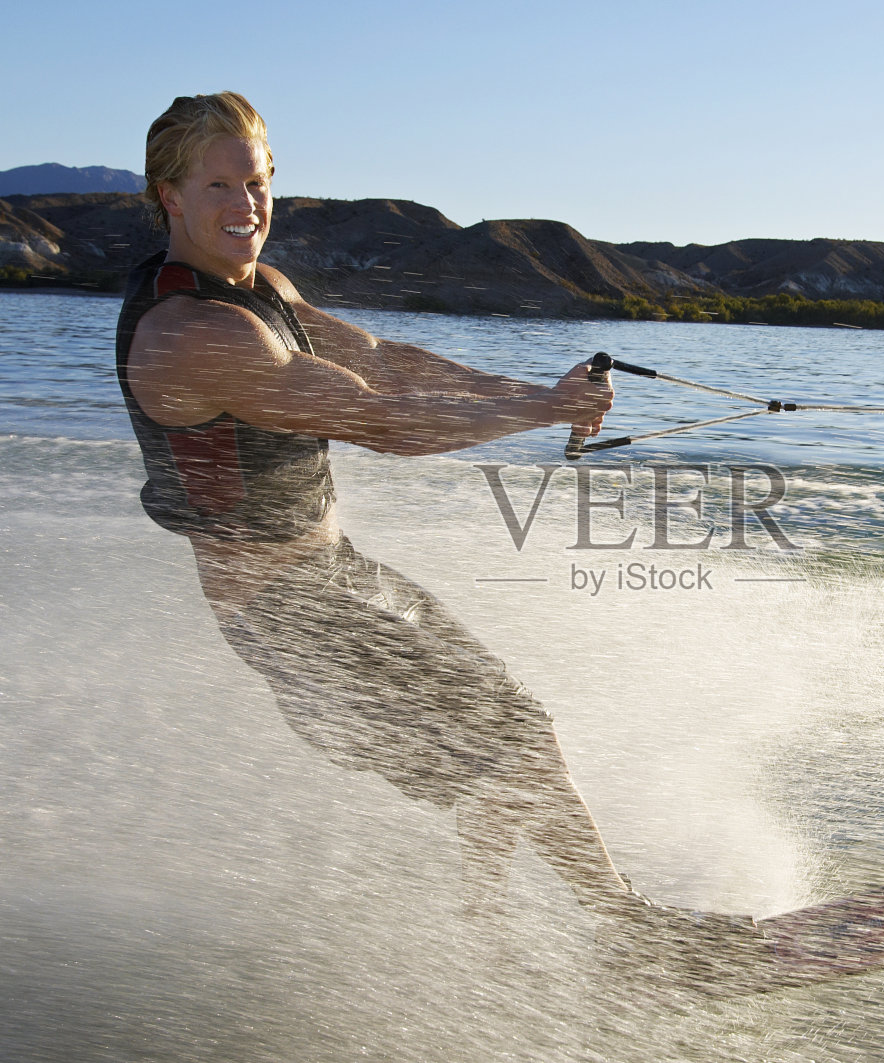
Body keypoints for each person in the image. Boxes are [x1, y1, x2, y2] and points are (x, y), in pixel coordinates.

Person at [116, 91, 642, 921]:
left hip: (339, 576)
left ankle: (486, 938)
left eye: (257, 183)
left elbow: (386, 363)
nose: (246, 206)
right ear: (168, 197)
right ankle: (627, 934)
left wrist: (540, 393)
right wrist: (543, 412)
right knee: (518, 746)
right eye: (220, 187)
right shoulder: (192, 334)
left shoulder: (266, 291)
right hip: (289, 618)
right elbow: (380, 420)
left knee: (508, 749)